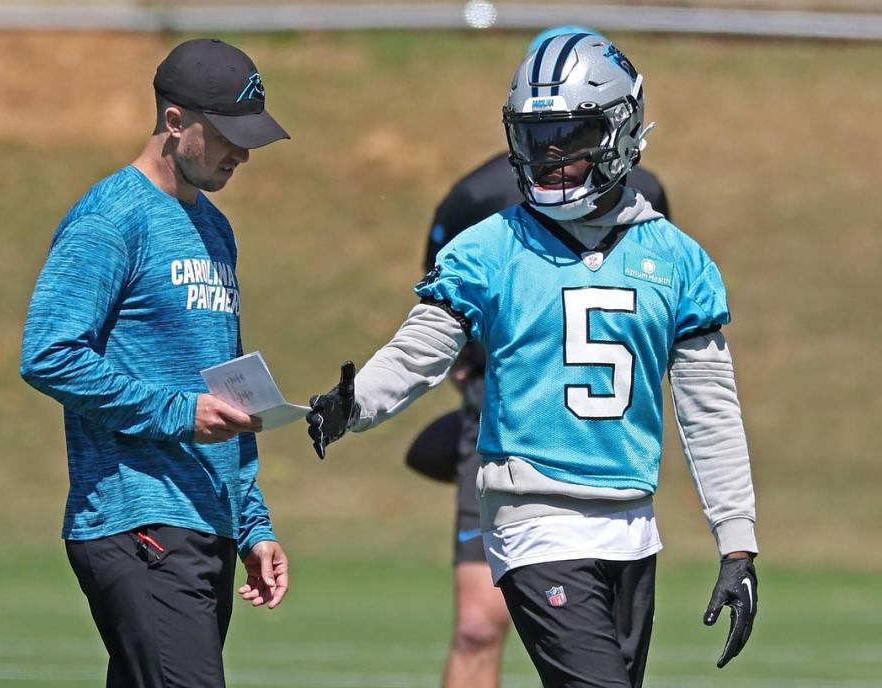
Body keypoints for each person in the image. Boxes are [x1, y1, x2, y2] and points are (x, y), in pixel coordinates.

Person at [307, 32, 758, 688]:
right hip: (535, 521)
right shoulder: (488, 249)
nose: (550, 156)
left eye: (571, 135)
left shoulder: (680, 260)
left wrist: (737, 542)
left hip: (633, 528)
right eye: (536, 137)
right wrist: (356, 402)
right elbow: (419, 352)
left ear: (622, 130)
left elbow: (709, 408)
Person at [406, 26, 673, 688]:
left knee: (604, 650)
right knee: (477, 623)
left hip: (597, 445)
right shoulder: (476, 202)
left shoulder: (648, 194)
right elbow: (440, 318)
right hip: (498, 428)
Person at [20, 38, 290, 688]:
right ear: (174, 122)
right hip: (136, 518)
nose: (242, 154)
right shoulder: (110, 219)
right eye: (228, 134)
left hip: (205, 520)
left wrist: (252, 522)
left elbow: (227, 385)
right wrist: (179, 412)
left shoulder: (216, 229)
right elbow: (47, 354)